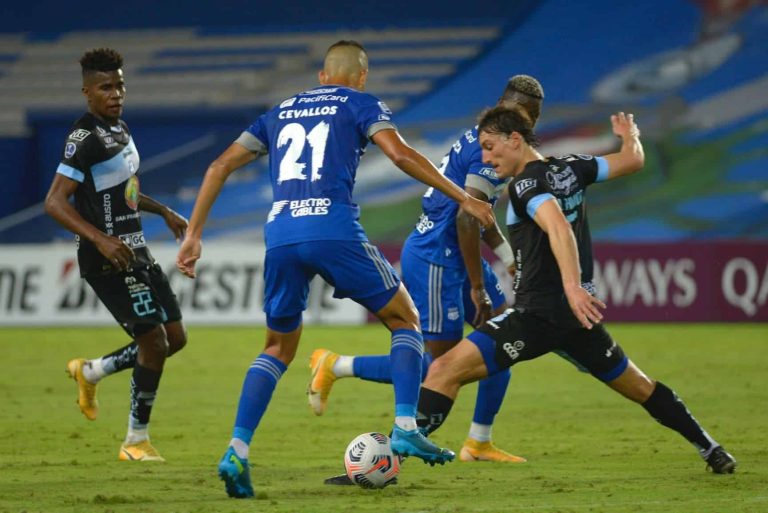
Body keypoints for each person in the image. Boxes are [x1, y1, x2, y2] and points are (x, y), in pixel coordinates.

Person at [175, 40, 495, 498]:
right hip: (334, 229)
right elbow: (401, 155)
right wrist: (464, 196)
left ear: (323, 76)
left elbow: (219, 165)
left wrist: (194, 235)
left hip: (281, 235)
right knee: (405, 320)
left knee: (277, 348)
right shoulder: (362, 103)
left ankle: (237, 450)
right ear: (361, 77)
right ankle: (405, 426)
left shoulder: (280, 111)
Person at [412, 105, 737, 474]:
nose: (485, 157)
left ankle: (392, 456)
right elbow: (632, 161)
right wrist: (630, 136)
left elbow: (557, 227)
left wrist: (572, 286)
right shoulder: (571, 167)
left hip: (537, 316)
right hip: (575, 320)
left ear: (514, 139)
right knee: (641, 386)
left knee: (442, 370)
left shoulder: (524, 185)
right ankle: (711, 448)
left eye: (489, 146)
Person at [308, 77, 550, 475]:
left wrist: (507, 257)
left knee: (504, 338)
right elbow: (466, 219)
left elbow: (479, 214)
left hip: (454, 254)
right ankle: (336, 365)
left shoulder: (487, 138)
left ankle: (479, 441)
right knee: (438, 367)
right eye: (519, 114)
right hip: (437, 258)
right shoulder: (492, 149)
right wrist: (477, 284)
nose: (521, 124)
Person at [44, 48, 189, 462]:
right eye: (106, 87)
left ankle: (91, 371)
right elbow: (54, 202)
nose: (116, 93)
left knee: (174, 339)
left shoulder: (121, 129)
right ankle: (135, 441)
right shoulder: (83, 137)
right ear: (87, 92)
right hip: (107, 259)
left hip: (135, 250)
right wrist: (100, 240)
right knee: (155, 343)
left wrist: (163, 211)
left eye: (120, 85)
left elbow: (121, 190)